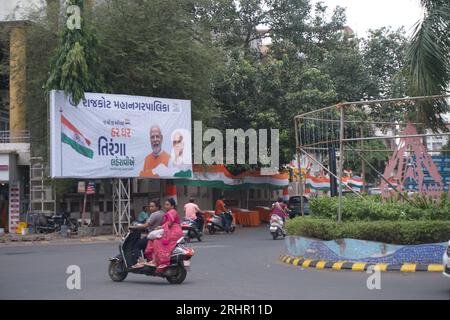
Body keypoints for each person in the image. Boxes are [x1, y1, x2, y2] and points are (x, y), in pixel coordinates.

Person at [144, 198, 183, 273]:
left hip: (174, 232)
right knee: (153, 241)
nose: (165, 206)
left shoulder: (172, 212)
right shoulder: (169, 212)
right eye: (165, 204)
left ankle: (163, 261)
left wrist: (161, 227)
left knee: (157, 242)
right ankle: (154, 260)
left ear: (172, 206)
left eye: (167, 205)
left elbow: (170, 223)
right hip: (170, 231)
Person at [130, 200, 165, 268]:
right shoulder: (163, 213)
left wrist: (134, 227)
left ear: (157, 207)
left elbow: (145, 225)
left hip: (152, 235)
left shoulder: (154, 214)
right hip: (160, 235)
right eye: (150, 206)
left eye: (152, 206)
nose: (150, 208)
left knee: (136, 245)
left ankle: (140, 262)